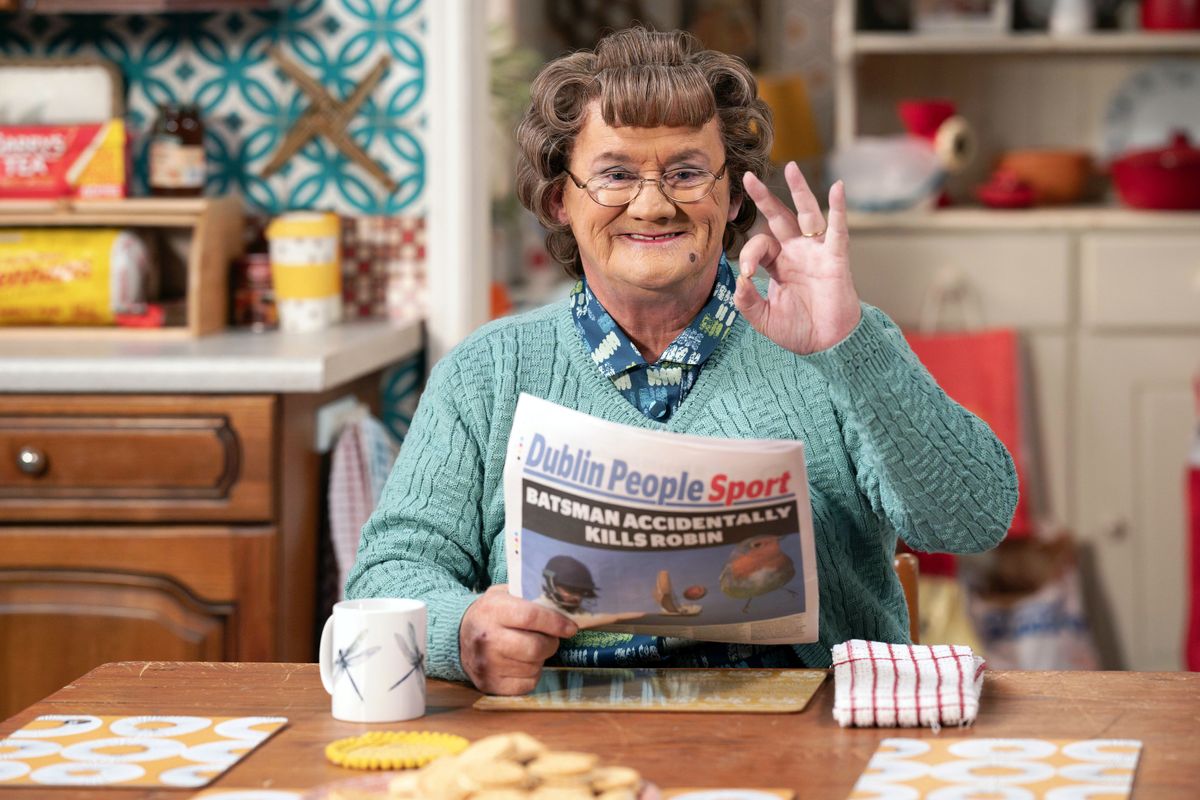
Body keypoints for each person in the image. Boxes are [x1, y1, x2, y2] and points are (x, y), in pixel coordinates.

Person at [347, 27, 1017, 695]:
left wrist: (850, 346)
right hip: (561, 760)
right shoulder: (486, 372)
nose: (653, 203)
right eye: (614, 174)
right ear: (560, 200)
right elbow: (385, 576)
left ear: (730, 197)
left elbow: (976, 519)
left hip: (813, 752)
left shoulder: (838, 341)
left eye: (687, 172)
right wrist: (463, 631)